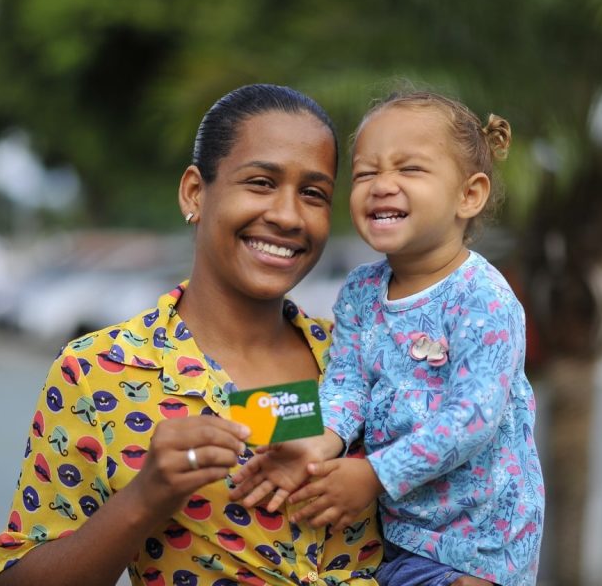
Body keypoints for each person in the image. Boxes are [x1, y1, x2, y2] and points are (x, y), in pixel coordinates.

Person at [0, 83, 383, 586]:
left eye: (313, 194)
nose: (287, 215)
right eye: (261, 182)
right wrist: (146, 497)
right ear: (195, 192)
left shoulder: (365, 359)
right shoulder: (97, 372)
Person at [231, 90, 544, 586]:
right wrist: (322, 442)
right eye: (365, 173)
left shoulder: (483, 297)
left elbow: (474, 416)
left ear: (470, 194)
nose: (382, 186)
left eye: (410, 169)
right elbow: (348, 385)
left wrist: (376, 475)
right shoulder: (360, 290)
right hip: (399, 538)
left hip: (477, 550)